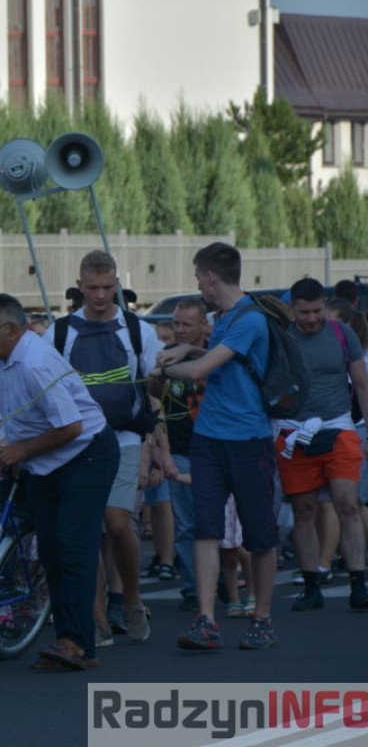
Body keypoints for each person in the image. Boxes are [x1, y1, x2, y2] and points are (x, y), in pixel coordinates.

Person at [153, 242, 280, 651]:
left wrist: (164, 366)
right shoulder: (223, 318)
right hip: (210, 438)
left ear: (210, 276)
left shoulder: (251, 320)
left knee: (258, 535)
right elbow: (219, 358)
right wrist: (189, 347)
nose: (197, 285)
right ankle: (205, 619)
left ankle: (262, 618)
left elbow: (203, 370)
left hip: (248, 439)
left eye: (197, 277)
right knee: (206, 529)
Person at [0, 292, 119, 670]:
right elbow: (16, 414)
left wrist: (22, 451)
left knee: (73, 547)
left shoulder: (36, 362)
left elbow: (72, 426)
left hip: (87, 454)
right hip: (45, 461)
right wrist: (11, 449)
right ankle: (68, 639)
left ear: (12, 330)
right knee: (52, 551)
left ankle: (78, 644)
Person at [44, 251, 157, 645]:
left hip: (125, 437)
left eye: (108, 287)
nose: (100, 295)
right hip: (76, 442)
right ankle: (95, 616)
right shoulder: (59, 333)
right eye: (92, 288)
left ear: (117, 284)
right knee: (84, 531)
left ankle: (131, 599)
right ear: (80, 286)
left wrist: (152, 445)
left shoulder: (138, 330)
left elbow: (153, 388)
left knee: (116, 522)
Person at [278, 278, 368, 611]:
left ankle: (359, 583)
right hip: (295, 432)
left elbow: (361, 385)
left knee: (347, 504)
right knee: (304, 510)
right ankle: (311, 584)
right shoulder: (282, 339)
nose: (312, 318)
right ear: (293, 308)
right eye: (305, 312)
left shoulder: (344, 335)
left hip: (339, 427)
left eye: (317, 311)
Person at [148, 297, 210, 613]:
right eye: (176, 324)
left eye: (187, 324)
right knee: (187, 525)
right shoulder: (168, 358)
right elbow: (158, 403)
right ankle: (191, 588)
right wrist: (164, 453)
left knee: (220, 523)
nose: (181, 330)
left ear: (204, 325)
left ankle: (228, 581)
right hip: (182, 450)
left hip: (215, 450)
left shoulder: (216, 354)